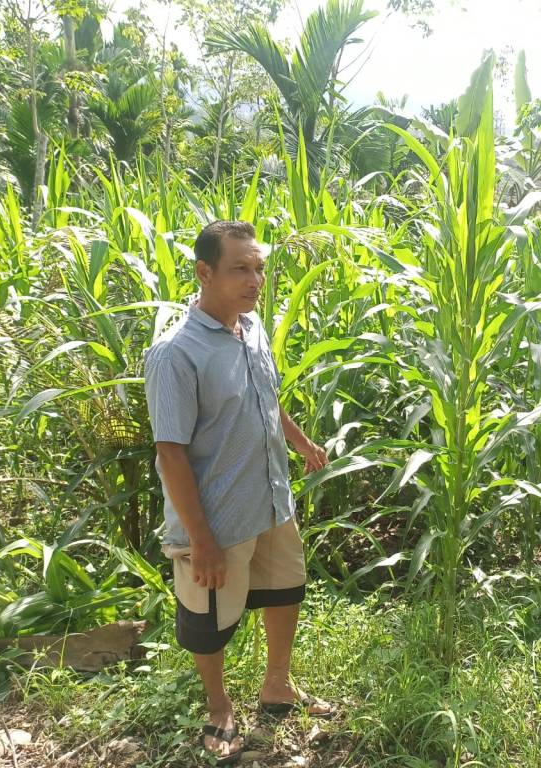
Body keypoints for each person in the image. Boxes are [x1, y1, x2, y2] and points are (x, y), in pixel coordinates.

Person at [144, 220, 332, 766]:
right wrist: (200, 540)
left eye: (259, 269)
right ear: (205, 272)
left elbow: (266, 397)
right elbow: (171, 453)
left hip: (270, 499)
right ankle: (218, 706)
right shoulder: (175, 353)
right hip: (217, 517)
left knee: (285, 588)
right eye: (240, 269)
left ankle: (278, 685)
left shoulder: (251, 328)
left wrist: (299, 442)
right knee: (208, 620)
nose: (255, 281)